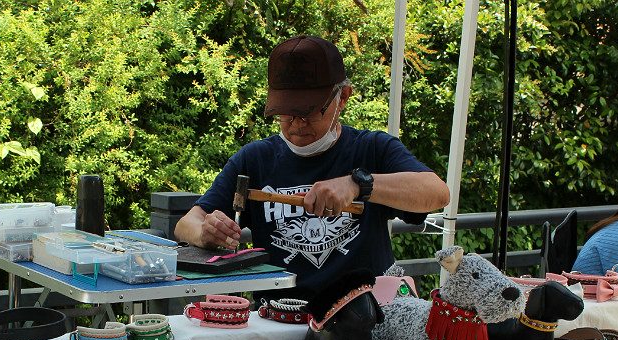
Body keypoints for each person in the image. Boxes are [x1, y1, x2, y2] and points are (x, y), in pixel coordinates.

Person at [173, 35, 449, 300]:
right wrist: (206, 233)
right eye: (286, 113)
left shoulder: (373, 149)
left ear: (342, 98)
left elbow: (437, 192)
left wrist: (358, 184)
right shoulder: (255, 159)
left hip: (364, 317)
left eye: (310, 112)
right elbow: (186, 224)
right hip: (279, 317)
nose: (296, 125)